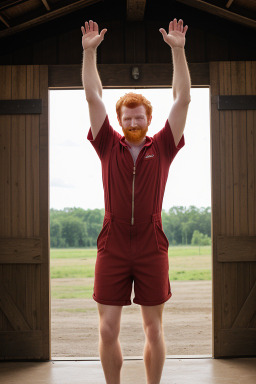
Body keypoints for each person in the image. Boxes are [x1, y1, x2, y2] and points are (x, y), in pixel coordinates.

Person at [81, 18, 191, 384]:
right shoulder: (106, 143)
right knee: (108, 330)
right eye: (127, 117)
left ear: (147, 119)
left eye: (139, 117)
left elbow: (183, 98)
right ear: (119, 120)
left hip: (150, 241)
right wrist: (89, 53)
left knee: (154, 330)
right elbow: (92, 95)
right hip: (112, 242)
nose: (133, 122)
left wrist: (178, 50)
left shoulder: (162, 146)